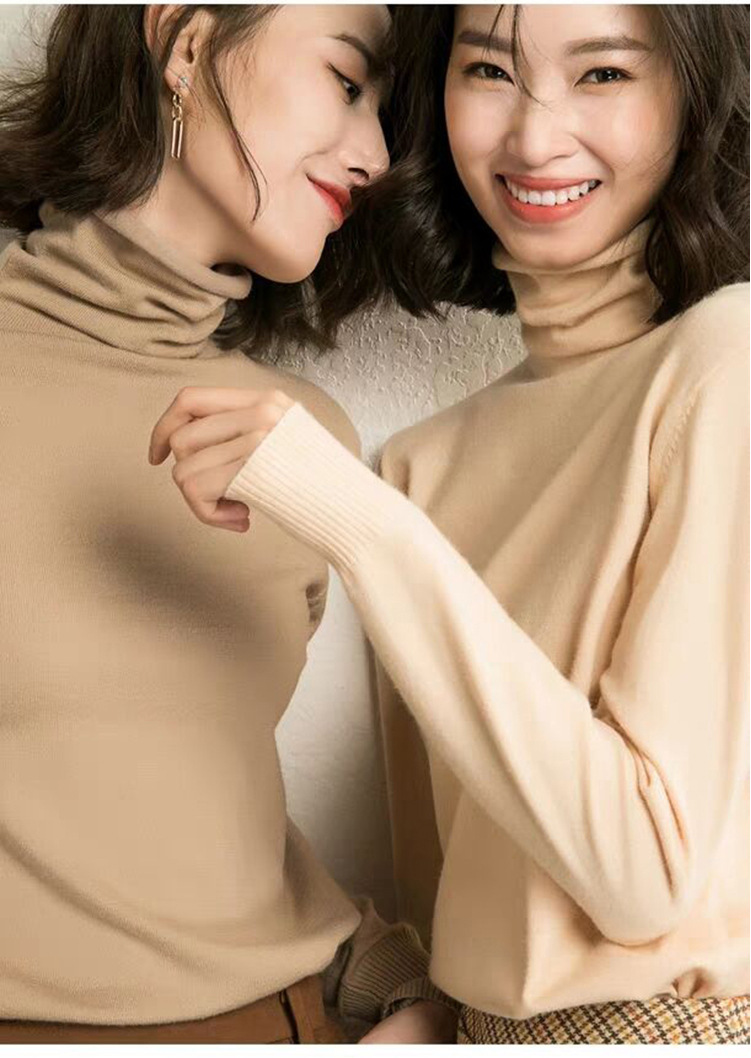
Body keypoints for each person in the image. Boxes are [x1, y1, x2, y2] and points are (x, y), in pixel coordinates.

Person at [150, 2, 750, 1046]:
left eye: (603, 74)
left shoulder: (723, 365)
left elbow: (643, 877)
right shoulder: (422, 463)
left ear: (693, 100)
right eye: (489, 71)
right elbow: (449, 881)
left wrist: (360, 523)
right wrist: (428, 1007)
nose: (533, 136)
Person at [0, 4, 436, 1044]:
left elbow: (186, 809)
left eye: (384, 114)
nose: (374, 154)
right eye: (346, 82)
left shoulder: (298, 439)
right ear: (187, 44)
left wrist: (397, 985)